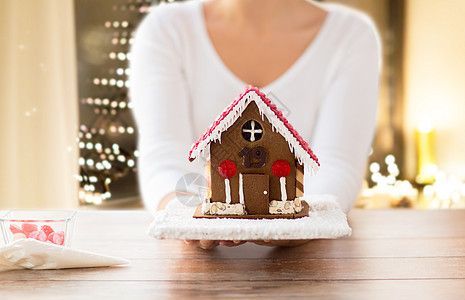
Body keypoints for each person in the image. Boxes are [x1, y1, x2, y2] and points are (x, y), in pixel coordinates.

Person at [130, 0, 380, 249]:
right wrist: (191, 219)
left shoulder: (351, 36)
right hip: (200, 260)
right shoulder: (167, 30)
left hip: (304, 261)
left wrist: (297, 222)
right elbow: (164, 157)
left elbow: (337, 164)